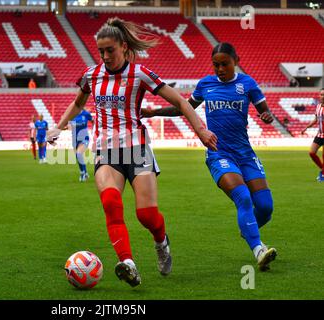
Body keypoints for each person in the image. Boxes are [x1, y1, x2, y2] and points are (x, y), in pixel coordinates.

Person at [47, 17, 217, 287]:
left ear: (124, 47)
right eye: (101, 51)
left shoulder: (140, 74)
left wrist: (201, 130)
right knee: (111, 204)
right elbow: (77, 104)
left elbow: (180, 101)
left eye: (110, 50)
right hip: (106, 152)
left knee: (146, 215)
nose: (105, 56)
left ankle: (161, 241)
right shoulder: (91, 75)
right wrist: (58, 127)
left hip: (137, 150)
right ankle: (127, 262)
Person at [142, 42, 277, 272]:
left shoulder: (248, 84)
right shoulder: (206, 84)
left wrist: (266, 115)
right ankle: (259, 249)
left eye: (225, 64)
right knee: (243, 197)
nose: (220, 69)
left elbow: (265, 109)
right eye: (216, 65)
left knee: (265, 207)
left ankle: (248, 227)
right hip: (219, 153)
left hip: (245, 153)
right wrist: (154, 112)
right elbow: (183, 108)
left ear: (236, 61)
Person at [301, 88, 324, 181]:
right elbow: (316, 119)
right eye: (321, 94)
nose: (322, 96)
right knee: (311, 153)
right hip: (320, 134)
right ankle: (323, 171)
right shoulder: (318, 106)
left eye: (323, 95)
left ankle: (322, 174)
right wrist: (306, 127)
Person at [70, 107, 94, 182]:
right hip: (75, 139)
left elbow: (93, 121)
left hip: (84, 138)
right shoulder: (72, 114)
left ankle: (82, 173)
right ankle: (85, 172)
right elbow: (69, 126)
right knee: (78, 156)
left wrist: (94, 130)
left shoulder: (86, 114)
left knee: (79, 154)